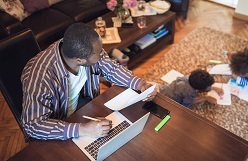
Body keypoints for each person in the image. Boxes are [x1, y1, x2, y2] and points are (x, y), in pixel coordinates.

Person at [21, 23, 156, 140]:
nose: (102, 54)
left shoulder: (81, 48)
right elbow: (33, 125)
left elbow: (112, 69)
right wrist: (84, 129)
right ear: (80, 60)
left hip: (84, 109)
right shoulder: (39, 75)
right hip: (60, 126)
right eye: (98, 53)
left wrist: (140, 84)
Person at [158, 69, 224, 107]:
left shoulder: (188, 77)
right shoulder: (189, 92)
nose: (210, 87)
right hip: (166, 101)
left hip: (163, 89)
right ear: (199, 89)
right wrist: (205, 98)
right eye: (208, 86)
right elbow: (186, 103)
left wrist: (214, 88)